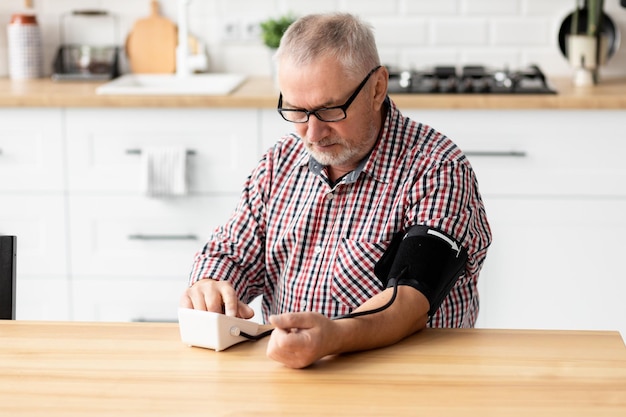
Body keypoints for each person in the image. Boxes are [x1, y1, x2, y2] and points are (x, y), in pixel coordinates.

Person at [180, 13, 492, 368]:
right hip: (297, 382)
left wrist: (333, 337)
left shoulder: (437, 168)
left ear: (377, 88)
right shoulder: (278, 165)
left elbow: (410, 300)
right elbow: (231, 254)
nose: (312, 134)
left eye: (329, 110)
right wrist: (211, 283)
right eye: (296, 110)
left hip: (411, 384)